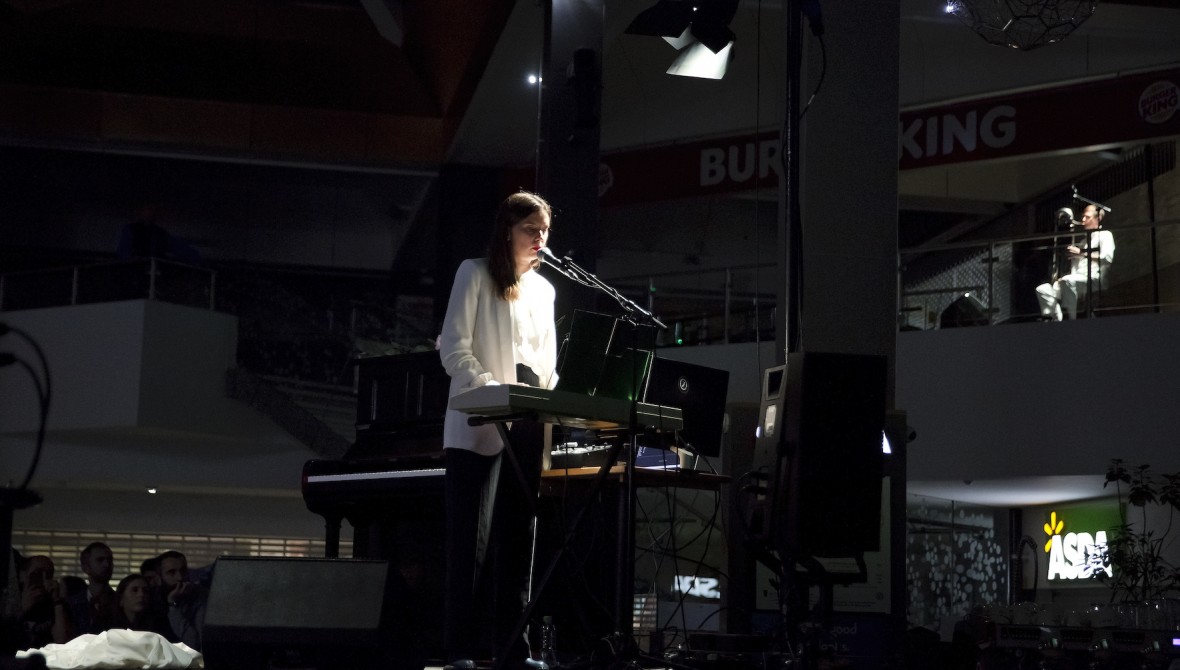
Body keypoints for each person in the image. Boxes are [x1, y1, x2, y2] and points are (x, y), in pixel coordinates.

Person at [438, 191, 559, 670]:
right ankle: (459, 650)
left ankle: (513, 648)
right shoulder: (474, 273)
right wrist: (491, 389)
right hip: (479, 425)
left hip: (528, 425)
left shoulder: (546, 290)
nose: (539, 239)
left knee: (519, 539)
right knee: (470, 543)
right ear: (507, 229)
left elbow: (547, 365)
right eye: (532, 230)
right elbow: (454, 349)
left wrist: (552, 394)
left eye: (544, 232)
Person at [1036, 204, 1114, 321]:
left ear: (1098, 218)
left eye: (1087, 217)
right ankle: (1055, 318)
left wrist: (1081, 253)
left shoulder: (1105, 235)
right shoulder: (1082, 242)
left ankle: (1072, 319)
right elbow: (1076, 267)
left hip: (1094, 279)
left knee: (1068, 281)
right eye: (1083, 217)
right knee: (1042, 289)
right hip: (1076, 281)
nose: (1083, 220)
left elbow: (1106, 258)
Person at [155, 551, 206, 651]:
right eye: (171, 572)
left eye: (183, 571)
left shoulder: (200, 596)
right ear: (159, 578)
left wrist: (173, 606)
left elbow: (194, 644)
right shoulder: (150, 598)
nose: (180, 577)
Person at [65, 542, 116, 637]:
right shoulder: (71, 604)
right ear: (86, 567)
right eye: (100, 560)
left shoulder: (121, 601)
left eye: (110, 560)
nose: (107, 564)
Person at [103, 574, 170, 639]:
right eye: (135, 590)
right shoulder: (106, 625)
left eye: (145, 591)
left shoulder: (159, 624)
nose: (141, 594)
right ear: (121, 598)